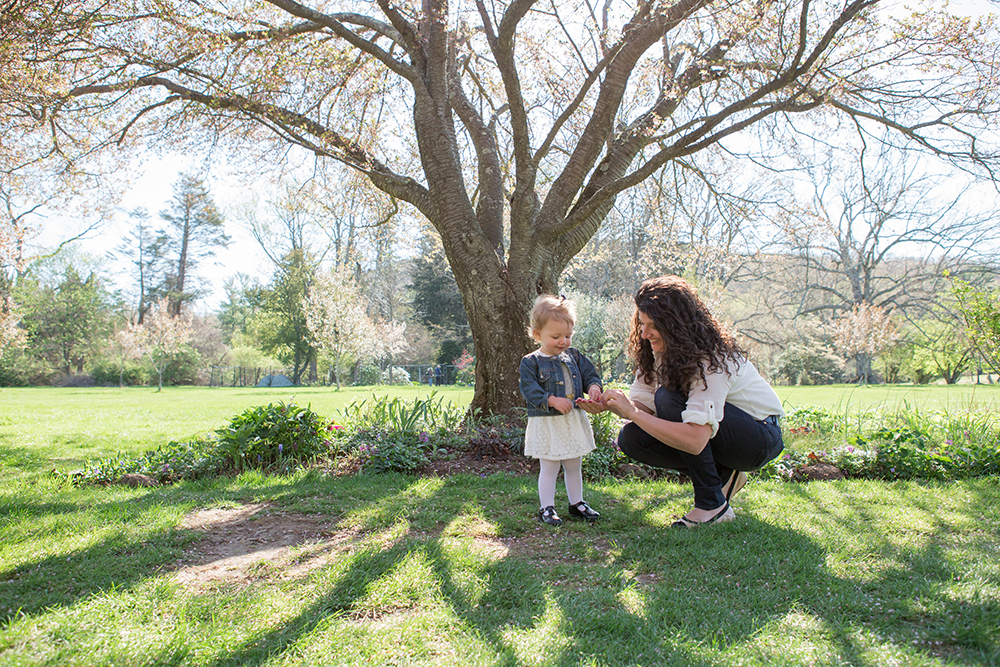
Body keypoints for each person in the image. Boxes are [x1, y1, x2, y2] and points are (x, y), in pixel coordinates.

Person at [591, 276, 784, 528]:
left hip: (759, 438)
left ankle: (711, 504)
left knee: (668, 398)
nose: (645, 333)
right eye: (641, 324)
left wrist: (633, 412)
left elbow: (695, 440)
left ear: (675, 324)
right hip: (719, 432)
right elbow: (647, 411)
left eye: (653, 325)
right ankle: (725, 477)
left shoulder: (713, 360)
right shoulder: (656, 353)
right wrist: (616, 406)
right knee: (632, 437)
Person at [519, 294, 604, 526]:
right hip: (548, 421)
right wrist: (552, 400)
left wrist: (594, 387)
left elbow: (589, 374)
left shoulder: (573, 356)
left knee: (573, 463)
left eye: (567, 336)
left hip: (571, 419)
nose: (563, 341)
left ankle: (577, 503)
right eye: (555, 336)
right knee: (550, 465)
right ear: (538, 334)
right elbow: (529, 389)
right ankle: (547, 507)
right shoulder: (531, 362)